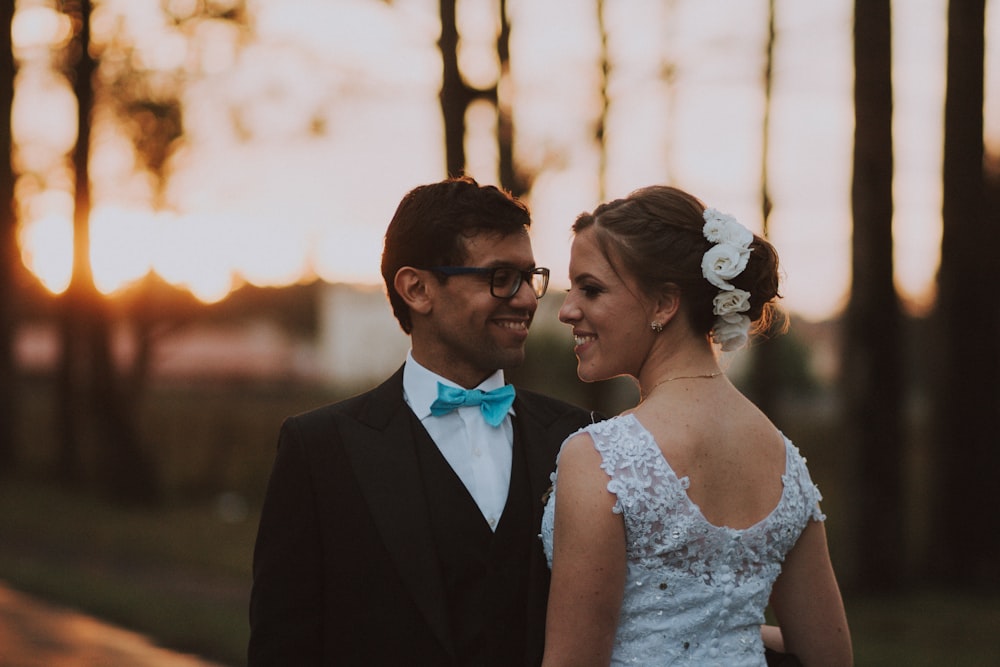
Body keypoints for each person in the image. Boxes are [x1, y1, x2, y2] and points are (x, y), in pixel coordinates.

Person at [248, 176, 598, 666]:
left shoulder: (578, 436)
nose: (526, 299)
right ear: (417, 289)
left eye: (530, 276)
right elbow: (284, 648)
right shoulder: (320, 449)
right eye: (500, 277)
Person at [540, 185, 852, 666]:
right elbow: (829, 654)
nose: (567, 310)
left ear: (665, 303)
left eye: (591, 288)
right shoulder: (784, 459)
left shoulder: (602, 459)